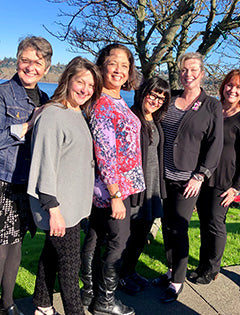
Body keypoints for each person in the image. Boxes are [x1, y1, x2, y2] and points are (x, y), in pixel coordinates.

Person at [27, 56, 102, 315]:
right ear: (67, 80)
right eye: (80, 82)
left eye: (91, 86)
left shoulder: (77, 113)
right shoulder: (53, 115)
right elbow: (44, 164)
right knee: (70, 270)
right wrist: (53, 209)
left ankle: (42, 305)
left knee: (50, 257)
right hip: (58, 208)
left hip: (72, 205)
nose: (85, 89)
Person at [155, 52, 223, 303]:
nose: (188, 74)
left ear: (202, 73)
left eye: (193, 70)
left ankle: (177, 281)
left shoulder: (211, 105)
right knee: (167, 226)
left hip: (188, 180)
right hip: (163, 175)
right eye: (184, 70)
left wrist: (201, 175)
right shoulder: (170, 98)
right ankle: (171, 269)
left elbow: (215, 144)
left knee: (180, 228)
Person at [84, 43, 145, 315]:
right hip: (113, 190)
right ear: (102, 66)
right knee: (118, 242)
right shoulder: (102, 104)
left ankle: (89, 294)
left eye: (125, 64)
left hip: (121, 187)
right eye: (113, 63)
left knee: (96, 238)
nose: (119, 69)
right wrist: (116, 195)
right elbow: (105, 154)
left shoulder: (118, 100)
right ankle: (106, 302)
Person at [0, 36, 52, 315]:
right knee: (1, 246)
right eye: (25, 60)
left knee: (16, 244)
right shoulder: (3, 93)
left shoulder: (44, 98)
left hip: (27, 182)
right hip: (3, 179)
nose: (31, 67)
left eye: (38, 62)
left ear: (46, 67)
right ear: (17, 60)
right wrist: (28, 125)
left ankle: (6, 303)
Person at [189, 69, 240, 284]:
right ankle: (202, 265)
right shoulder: (215, 110)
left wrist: (236, 187)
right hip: (204, 176)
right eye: (230, 85)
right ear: (223, 86)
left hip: (224, 182)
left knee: (216, 224)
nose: (233, 90)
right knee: (205, 222)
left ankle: (211, 269)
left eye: (238, 87)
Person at [118, 77, 170, 294]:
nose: (156, 100)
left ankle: (130, 270)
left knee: (141, 235)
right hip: (134, 190)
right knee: (127, 237)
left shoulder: (155, 121)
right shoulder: (131, 118)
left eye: (161, 97)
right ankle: (119, 276)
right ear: (142, 93)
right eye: (153, 94)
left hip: (152, 187)